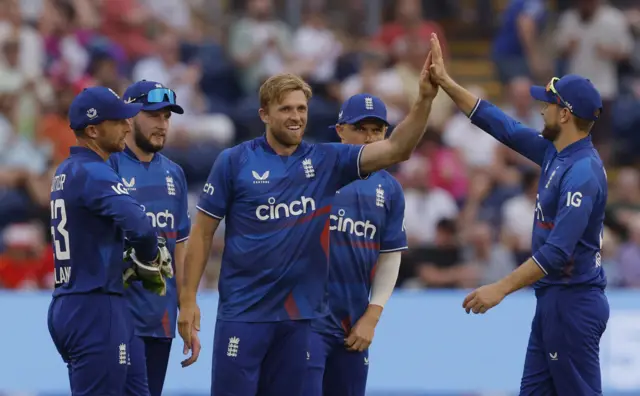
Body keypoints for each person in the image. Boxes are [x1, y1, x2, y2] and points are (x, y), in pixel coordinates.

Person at [178, 67, 438, 395]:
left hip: (299, 323)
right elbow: (202, 234)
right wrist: (188, 300)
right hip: (243, 315)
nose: (296, 116)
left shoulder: (325, 160)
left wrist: (425, 99)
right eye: (285, 108)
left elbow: (396, 149)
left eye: (301, 108)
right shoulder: (234, 161)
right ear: (264, 114)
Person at [427, 33, 609, 395]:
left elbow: (557, 252)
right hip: (553, 302)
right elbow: (502, 126)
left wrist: (500, 289)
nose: (542, 110)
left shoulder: (582, 173)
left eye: (549, 104)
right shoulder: (556, 153)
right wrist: (446, 83)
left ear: (565, 113)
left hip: (572, 304)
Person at [47, 86, 171, 395]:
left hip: (78, 300)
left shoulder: (66, 170)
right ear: (92, 130)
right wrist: (148, 258)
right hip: (95, 306)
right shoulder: (94, 172)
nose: (128, 126)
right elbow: (141, 227)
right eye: (118, 121)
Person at [304, 94, 407, 396]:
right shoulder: (313, 173)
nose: (370, 137)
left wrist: (372, 317)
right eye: (361, 128)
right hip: (307, 320)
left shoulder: (389, 188)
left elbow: (390, 255)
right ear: (340, 130)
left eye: (377, 130)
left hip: (353, 325)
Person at [108, 80, 198, 396]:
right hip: (116, 317)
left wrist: (187, 304)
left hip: (160, 320)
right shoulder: (109, 165)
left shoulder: (175, 173)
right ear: (130, 116)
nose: (162, 125)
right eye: (154, 116)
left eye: (167, 117)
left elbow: (181, 245)